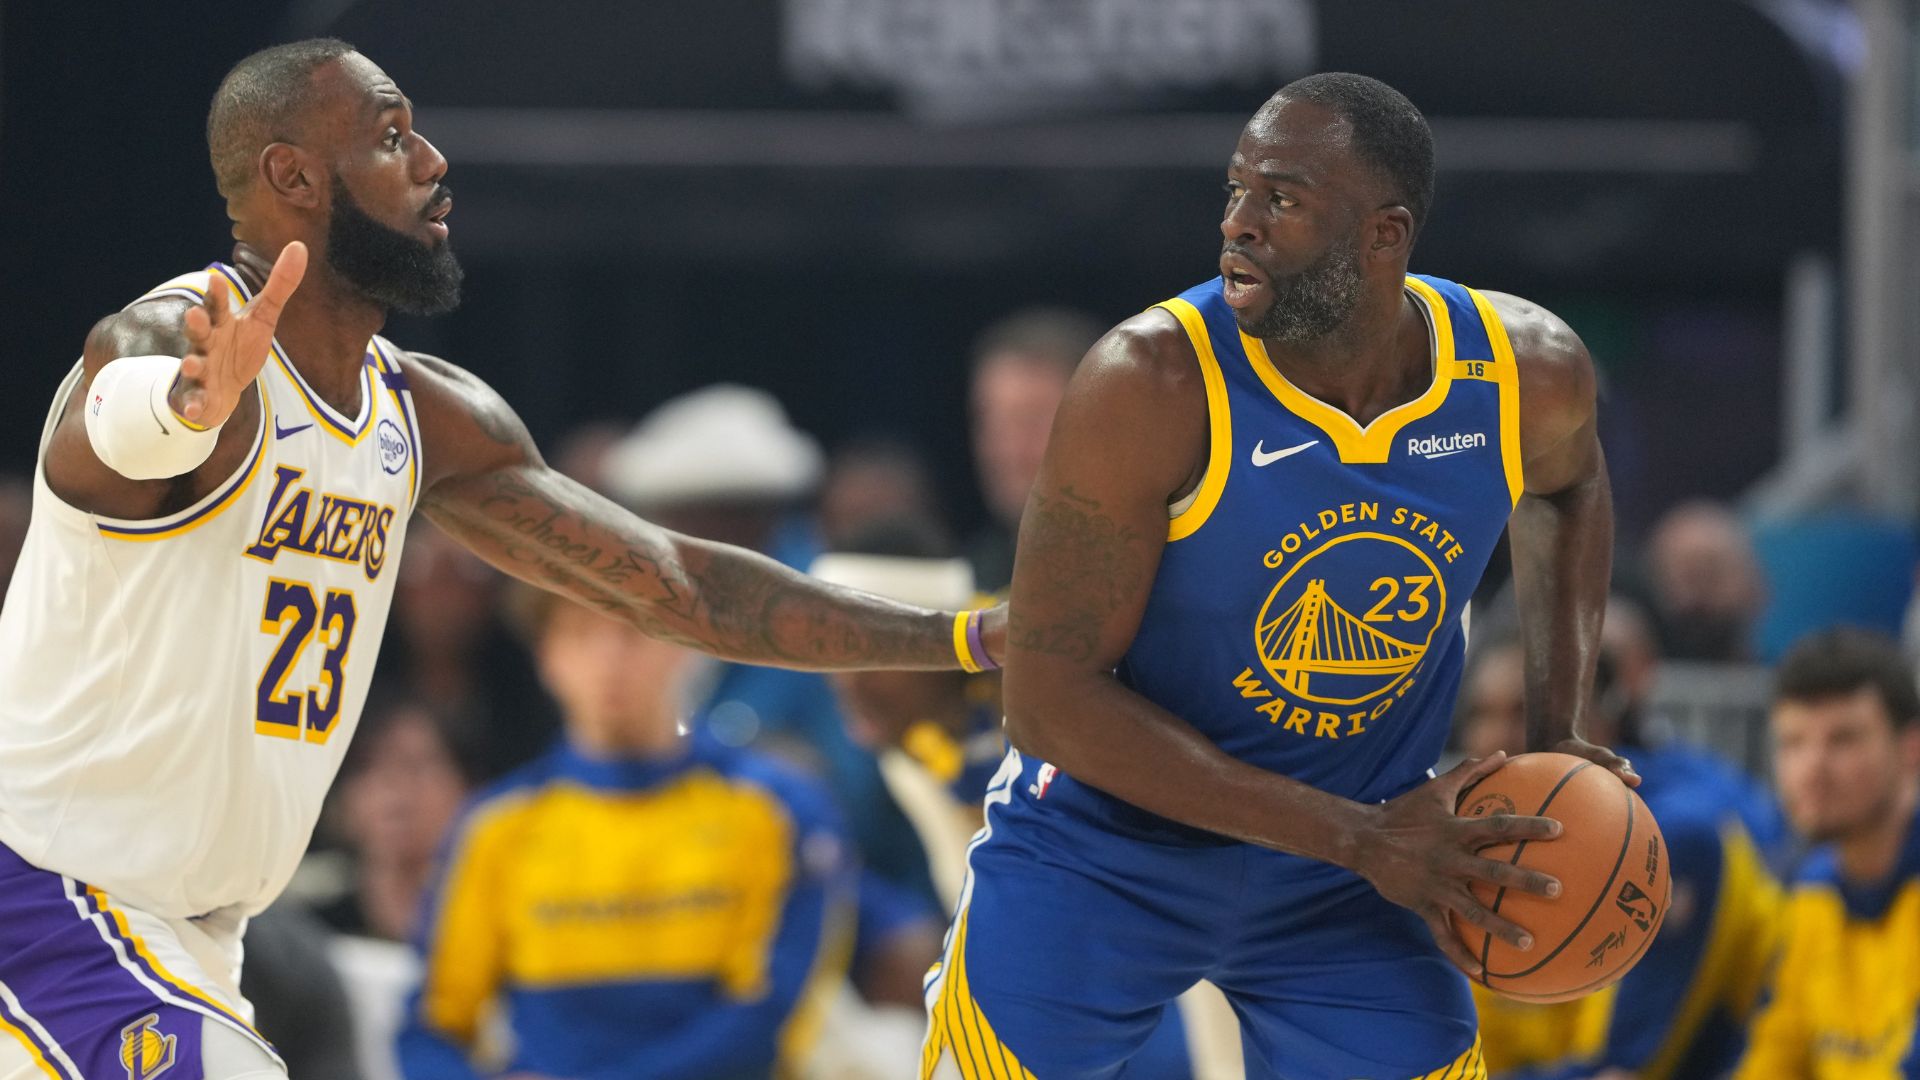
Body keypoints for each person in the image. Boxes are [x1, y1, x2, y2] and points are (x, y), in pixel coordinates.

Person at [0, 38, 998, 1080]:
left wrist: (960, 636)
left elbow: (681, 583)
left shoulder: (420, 416)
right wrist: (180, 408)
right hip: (52, 892)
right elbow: (120, 407)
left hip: (186, 937)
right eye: (391, 138)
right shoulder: (180, 341)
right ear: (291, 176)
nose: (433, 161)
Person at [922, 73, 1636, 1079]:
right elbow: (1046, 702)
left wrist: (1556, 731)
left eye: (1283, 199)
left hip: (1355, 872)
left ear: (1385, 234)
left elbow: (1571, 485)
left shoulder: (1522, 370)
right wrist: (1358, 837)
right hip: (1108, 849)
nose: (1238, 226)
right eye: (1234, 190)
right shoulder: (1150, 381)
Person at [398, 586, 855, 1079]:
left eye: (632, 633)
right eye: (580, 634)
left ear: (683, 643)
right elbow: (430, 1028)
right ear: (545, 655)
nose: (609, 660)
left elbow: (770, 1019)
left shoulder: (781, 811)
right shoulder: (495, 828)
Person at [1460, 607, 1785, 1080]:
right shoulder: (1483, 844)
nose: (1496, 738)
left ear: (1594, 719)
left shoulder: (1669, 838)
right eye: (1480, 715)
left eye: (1521, 713)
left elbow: (1624, 1069)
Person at [1733, 627, 1920, 1078]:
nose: (1811, 769)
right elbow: (1772, 1060)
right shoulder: (1810, 891)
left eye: (1843, 740)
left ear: (1912, 749)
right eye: (1793, 743)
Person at [964, 307, 1106, 591]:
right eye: (992, 422)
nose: (1005, 450)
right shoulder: (967, 578)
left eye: (1031, 420)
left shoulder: (1147, 584)